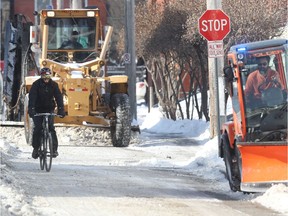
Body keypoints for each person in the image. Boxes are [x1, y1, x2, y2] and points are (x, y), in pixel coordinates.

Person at [28, 67, 66, 159]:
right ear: (41, 76)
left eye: (48, 76)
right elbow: (32, 98)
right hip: (37, 109)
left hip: (49, 109)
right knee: (38, 128)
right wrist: (31, 109)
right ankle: (36, 148)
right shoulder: (36, 85)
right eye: (44, 76)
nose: (46, 78)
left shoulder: (54, 85)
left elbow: (58, 97)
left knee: (51, 128)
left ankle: (54, 149)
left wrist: (61, 109)